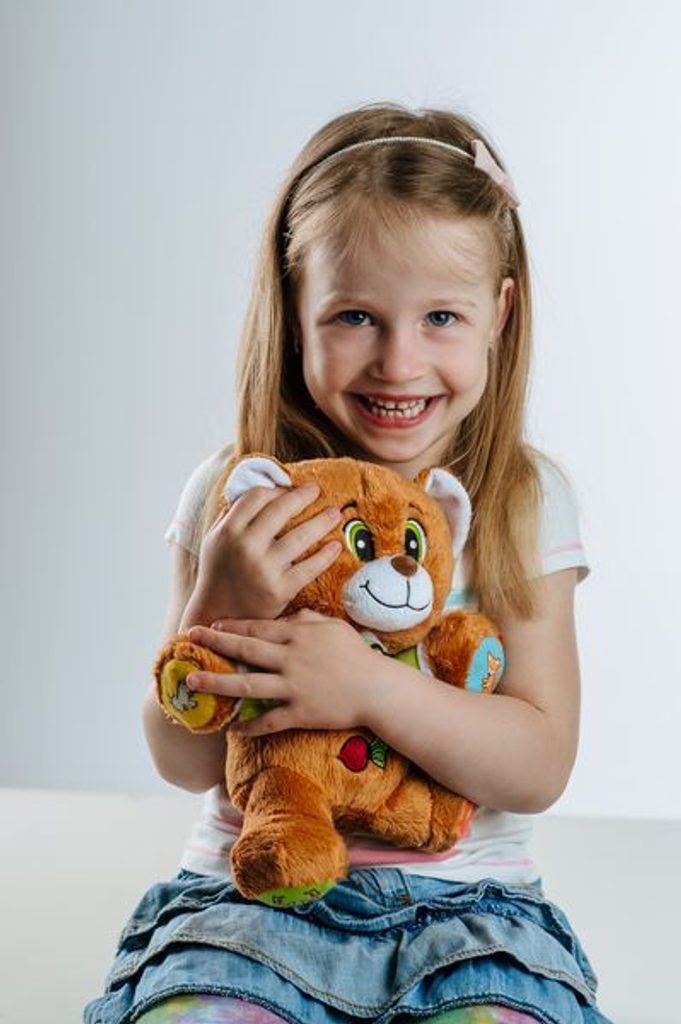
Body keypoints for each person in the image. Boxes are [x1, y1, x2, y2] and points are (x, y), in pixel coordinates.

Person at [85, 102, 612, 1024]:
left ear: (498, 314)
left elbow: (537, 764)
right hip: (248, 902)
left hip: (470, 913)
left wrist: (368, 687)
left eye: (440, 316)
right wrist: (217, 604)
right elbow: (182, 759)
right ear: (294, 314)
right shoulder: (236, 491)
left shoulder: (520, 498)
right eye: (355, 316)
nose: (398, 363)